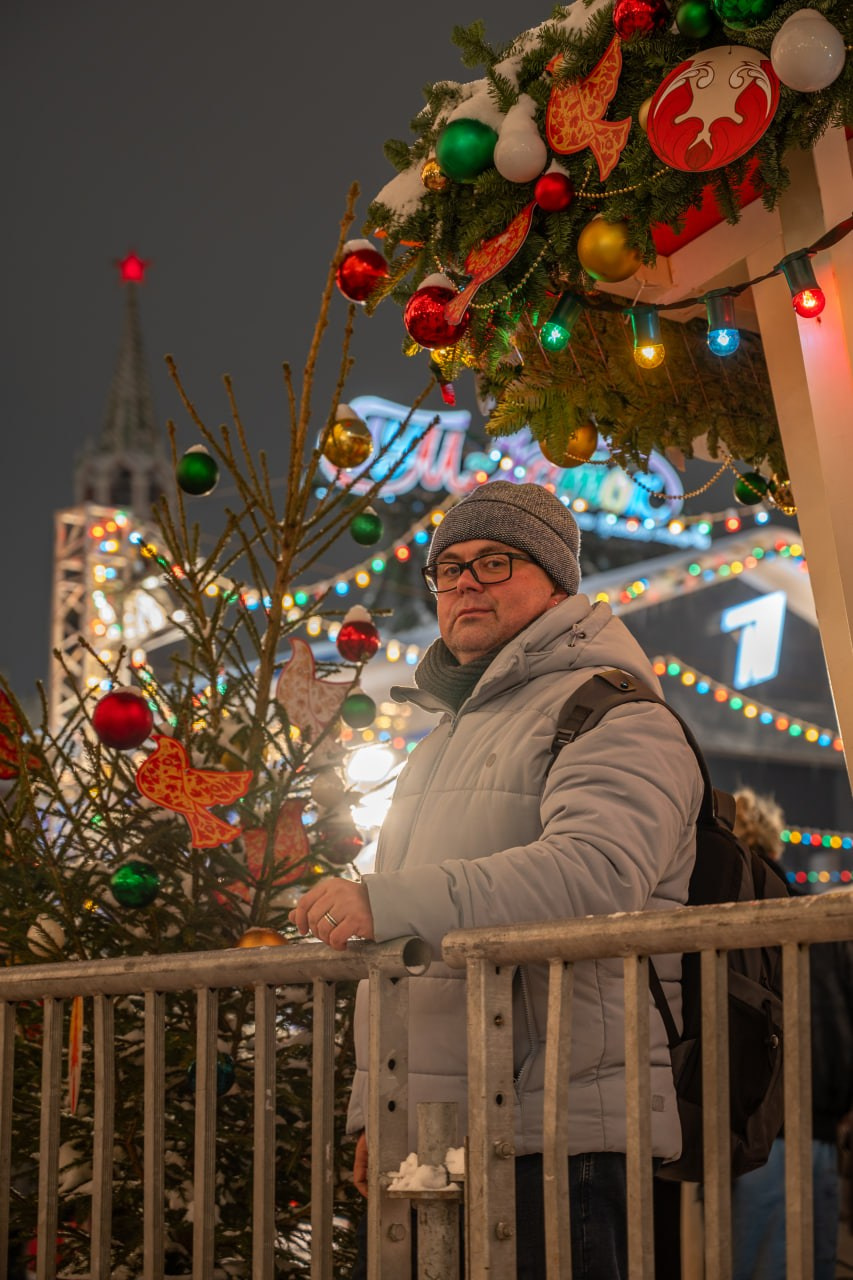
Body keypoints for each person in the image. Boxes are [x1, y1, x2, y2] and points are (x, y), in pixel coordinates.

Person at [291, 480, 703, 1280]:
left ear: (555, 582)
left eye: (493, 562)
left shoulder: (613, 713)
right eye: (448, 570)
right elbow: (408, 966)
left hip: (557, 1130)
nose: (464, 584)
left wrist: (383, 900)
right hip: (439, 1130)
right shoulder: (446, 735)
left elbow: (596, 874)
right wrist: (380, 1112)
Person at [730, 787, 853, 1280]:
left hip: (757, 1131)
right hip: (820, 1126)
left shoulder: (731, 920)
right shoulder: (818, 921)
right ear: (775, 845)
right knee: (814, 1260)